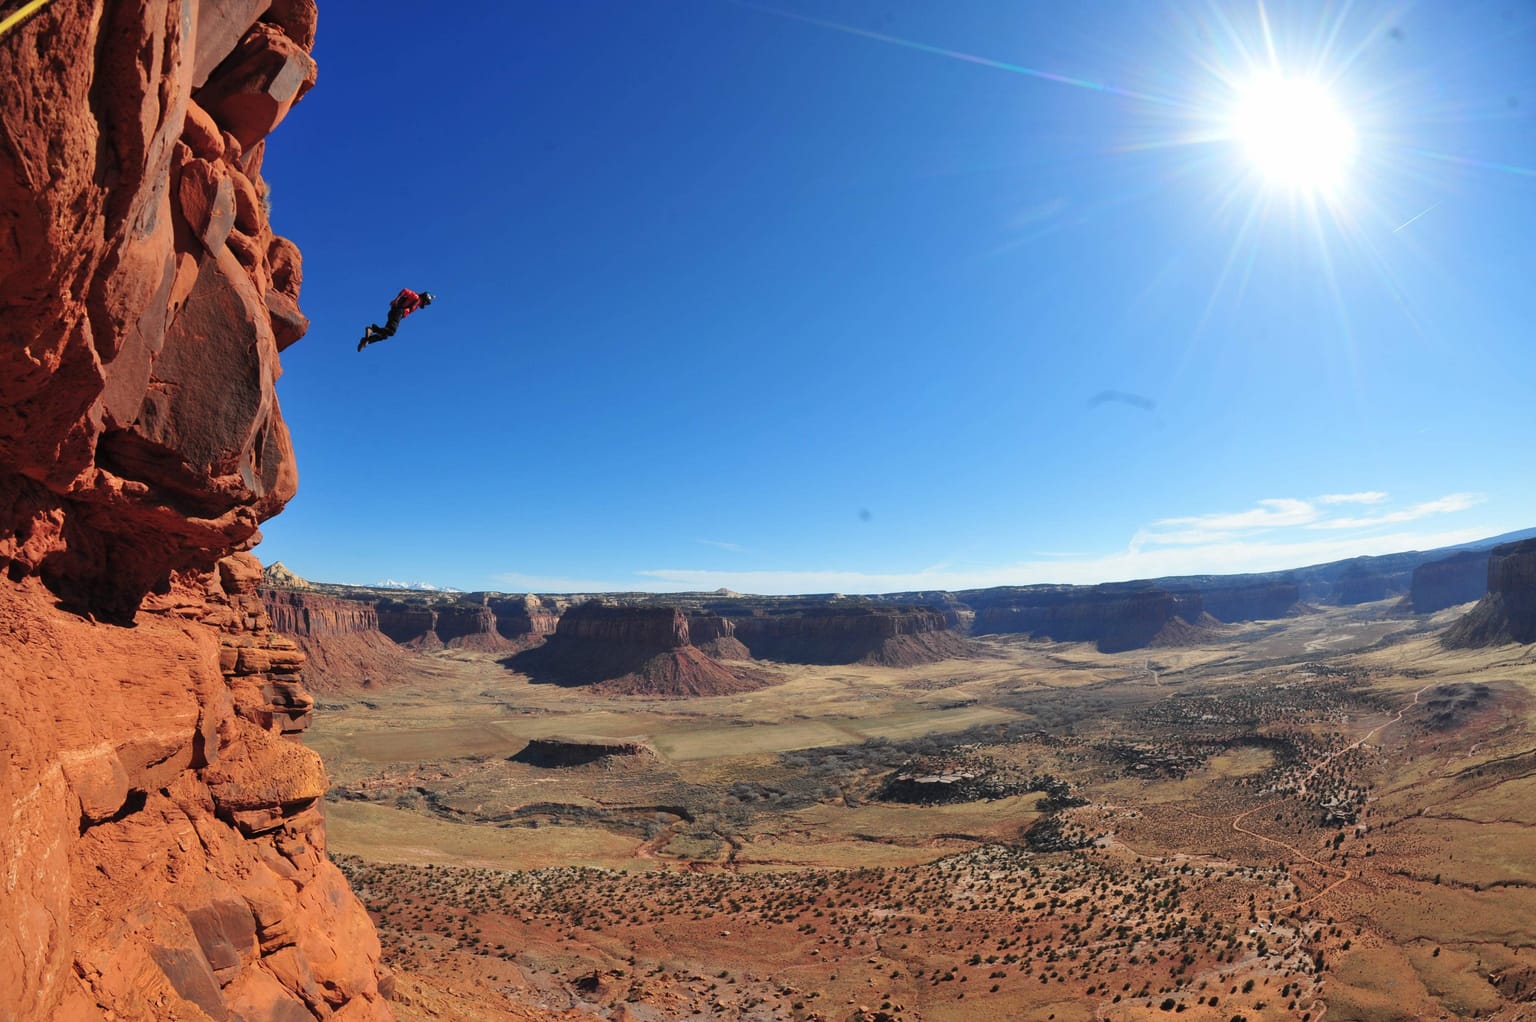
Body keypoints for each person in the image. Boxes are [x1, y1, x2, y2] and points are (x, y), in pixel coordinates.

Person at [358, 289, 434, 350]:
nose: (426, 304)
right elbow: (405, 290)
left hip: (397, 313)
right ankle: (372, 329)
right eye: (427, 302)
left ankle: (367, 340)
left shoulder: (417, 303)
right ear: (425, 298)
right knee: (391, 331)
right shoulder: (416, 297)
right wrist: (396, 299)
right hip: (398, 311)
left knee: (385, 335)